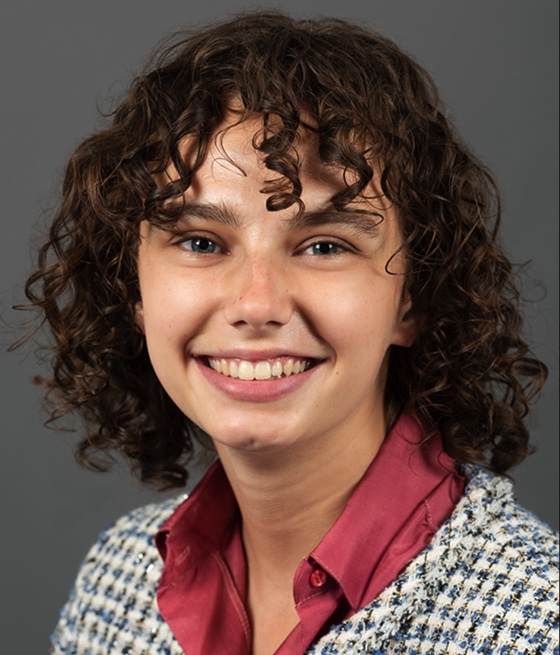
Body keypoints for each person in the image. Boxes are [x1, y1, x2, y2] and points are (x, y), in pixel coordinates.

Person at [22, 10, 558, 655]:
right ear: (133, 288)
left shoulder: (531, 618)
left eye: (325, 246)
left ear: (412, 301)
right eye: (199, 241)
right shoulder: (118, 580)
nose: (257, 303)